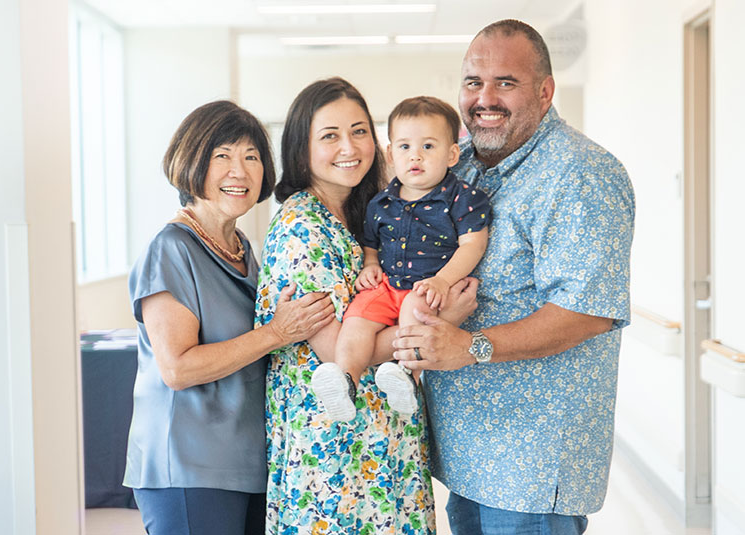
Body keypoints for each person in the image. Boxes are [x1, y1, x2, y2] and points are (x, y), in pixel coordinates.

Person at [392, 20, 636, 535]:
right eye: (473, 83)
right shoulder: (468, 164)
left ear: (545, 92)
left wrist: (469, 346)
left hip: (530, 467)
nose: (485, 98)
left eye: (506, 82)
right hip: (468, 457)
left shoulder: (580, 174)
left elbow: (585, 313)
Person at [124, 100, 334, 535]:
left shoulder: (242, 250)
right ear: (193, 162)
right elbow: (178, 368)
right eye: (223, 156)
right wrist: (276, 332)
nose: (239, 171)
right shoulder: (172, 249)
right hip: (189, 465)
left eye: (251, 157)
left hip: (248, 462)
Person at [255, 78, 445, 534]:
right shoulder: (302, 226)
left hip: (383, 445)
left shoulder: (374, 214)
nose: (349, 146)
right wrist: (436, 328)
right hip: (334, 455)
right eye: (330, 135)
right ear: (301, 150)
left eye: (359, 131)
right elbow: (334, 349)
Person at [312, 96, 491, 421]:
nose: (416, 156)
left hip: (430, 286)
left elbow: (473, 246)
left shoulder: (463, 198)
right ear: (391, 154)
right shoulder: (380, 203)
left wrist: (442, 280)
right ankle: (345, 381)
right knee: (357, 318)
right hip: (387, 285)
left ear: (452, 154)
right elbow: (371, 242)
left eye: (428, 146)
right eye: (405, 147)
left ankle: (409, 377)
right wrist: (370, 264)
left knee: (414, 310)